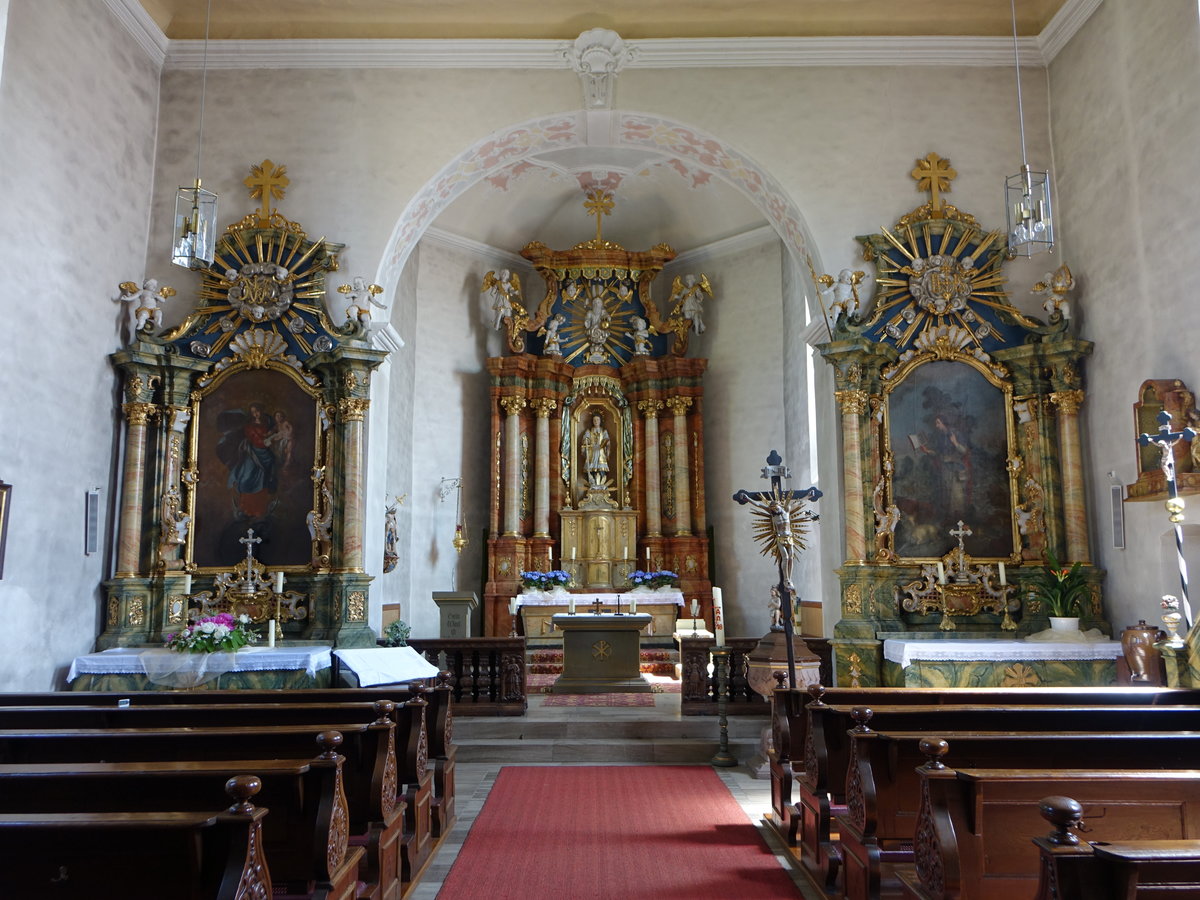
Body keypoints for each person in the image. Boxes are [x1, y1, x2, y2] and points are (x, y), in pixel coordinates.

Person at [221, 402, 278, 519]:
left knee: (263, 482)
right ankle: (245, 509)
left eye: (257, 411)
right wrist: (268, 440)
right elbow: (258, 442)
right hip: (253, 454)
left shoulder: (269, 422)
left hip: (265, 455)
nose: (256, 414)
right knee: (247, 478)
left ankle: (260, 511)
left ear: (261, 410)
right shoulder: (249, 427)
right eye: (253, 412)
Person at [581, 414, 610, 486]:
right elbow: (585, 439)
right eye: (594, 420)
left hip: (600, 453)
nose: (596, 421)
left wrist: (606, 442)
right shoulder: (589, 431)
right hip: (592, 453)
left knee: (601, 470)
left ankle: (601, 486)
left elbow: (607, 440)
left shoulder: (603, 431)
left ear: (600, 421)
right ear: (592, 421)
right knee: (591, 470)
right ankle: (592, 486)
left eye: (597, 420)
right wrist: (586, 440)